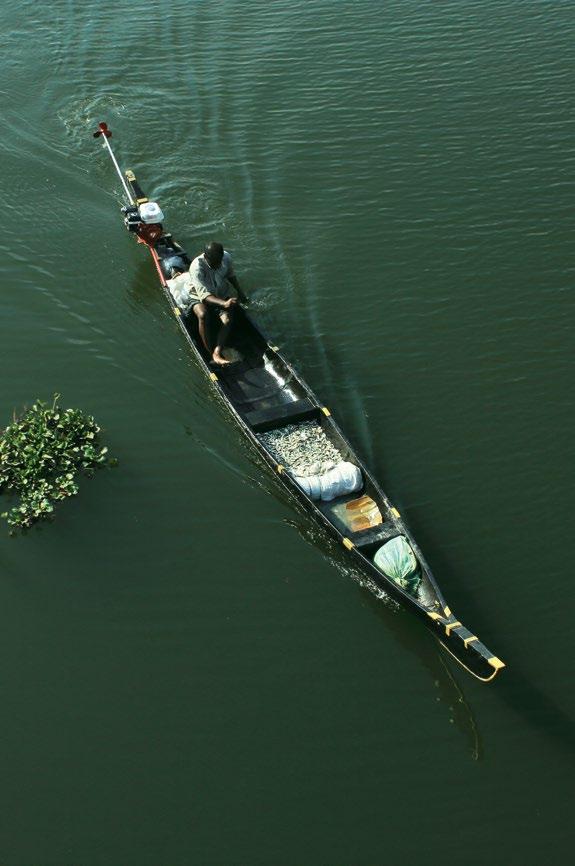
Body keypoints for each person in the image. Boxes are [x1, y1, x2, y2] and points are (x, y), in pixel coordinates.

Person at [166, 242, 247, 365]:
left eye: (219, 261)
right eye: (214, 263)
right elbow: (204, 297)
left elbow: (231, 275)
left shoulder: (226, 257)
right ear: (206, 258)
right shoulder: (196, 267)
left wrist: (240, 292)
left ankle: (217, 351)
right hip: (198, 295)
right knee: (203, 315)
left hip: (219, 293)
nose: (218, 265)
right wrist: (224, 304)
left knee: (227, 320)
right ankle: (210, 354)